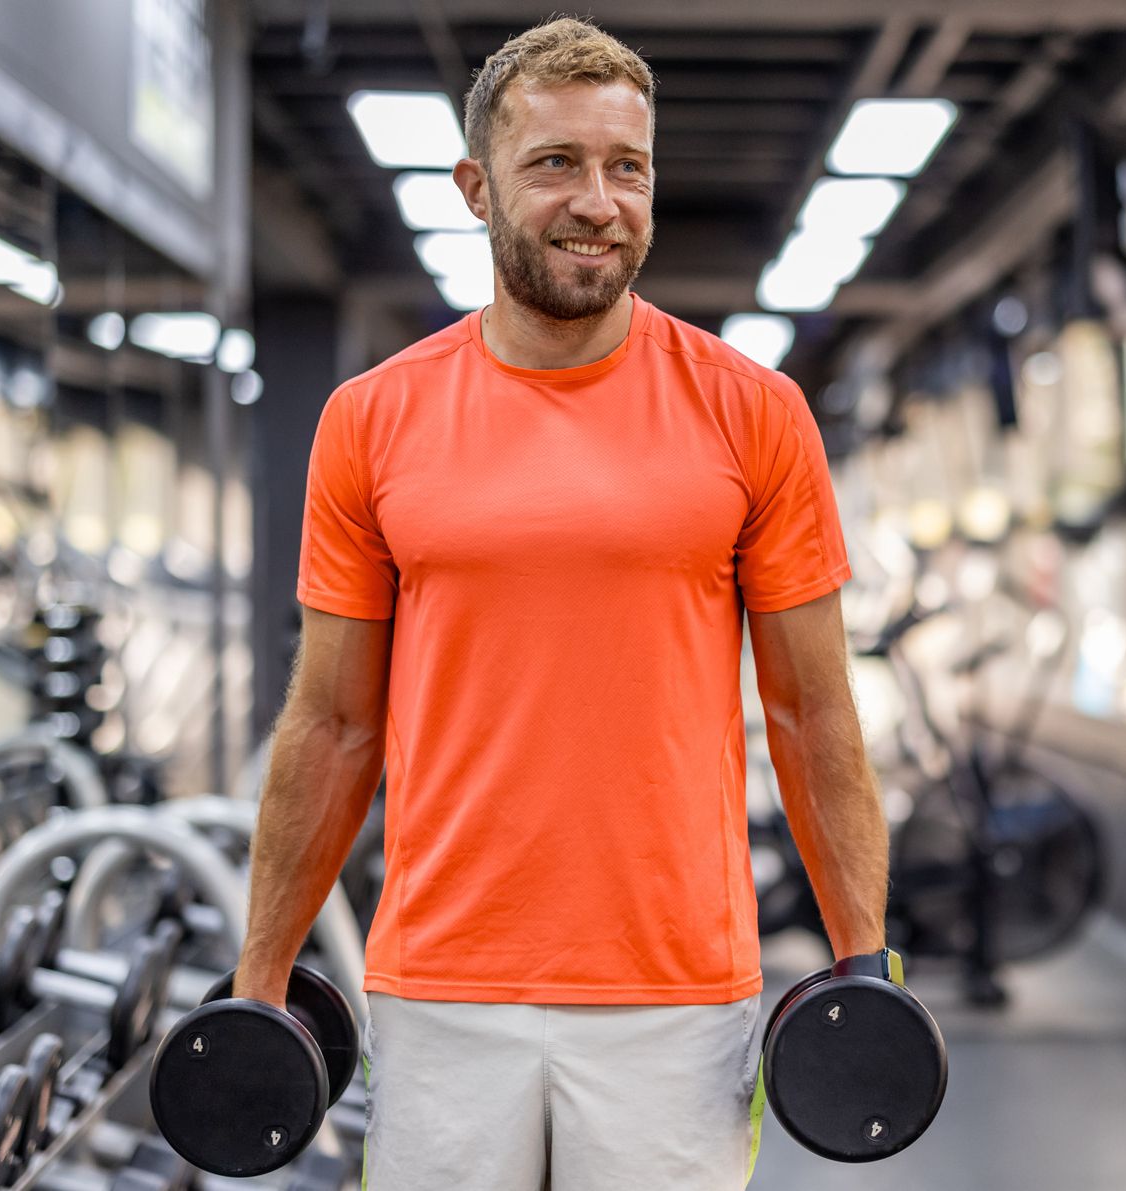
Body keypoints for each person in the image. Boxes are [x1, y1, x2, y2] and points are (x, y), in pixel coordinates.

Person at [234, 17, 889, 1190]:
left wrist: (866, 965)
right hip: (441, 987)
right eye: (556, 164)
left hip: (678, 994)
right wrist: (259, 976)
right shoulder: (372, 419)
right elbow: (333, 723)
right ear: (477, 189)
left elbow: (812, 712)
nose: (598, 199)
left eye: (625, 167)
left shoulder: (755, 412)